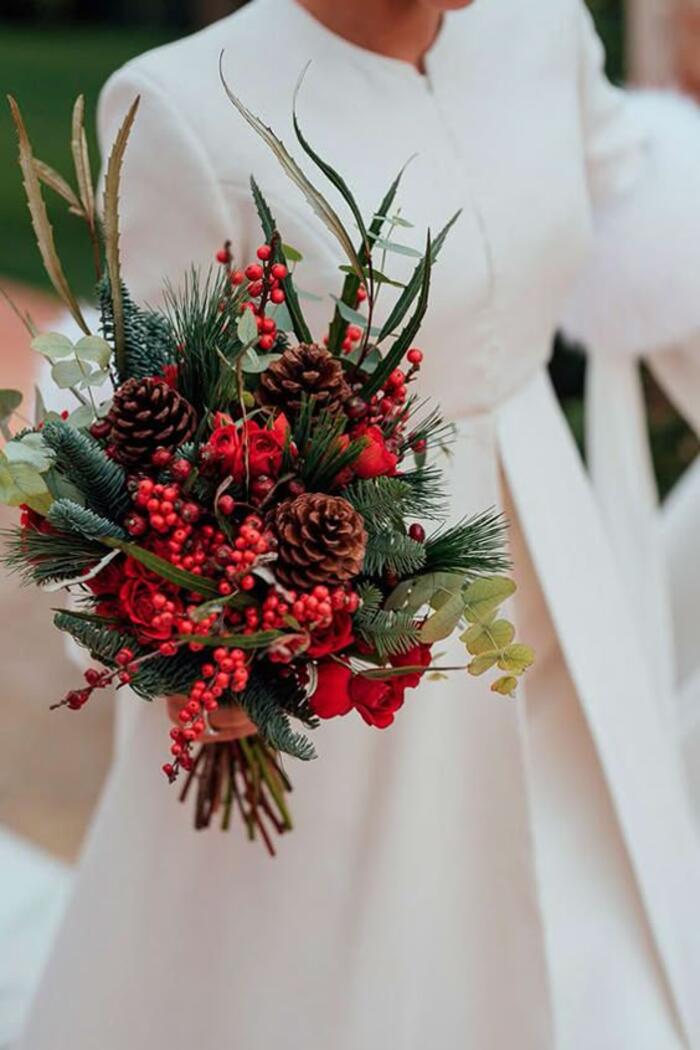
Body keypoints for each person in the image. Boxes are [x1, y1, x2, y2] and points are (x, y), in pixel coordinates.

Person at [17, 1, 700, 1047]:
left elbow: (647, 210)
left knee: (609, 945)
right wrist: (216, 653)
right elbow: (145, 444)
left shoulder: (543, 26)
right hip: (350, 652)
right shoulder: (184, 104)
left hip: (564, 591)